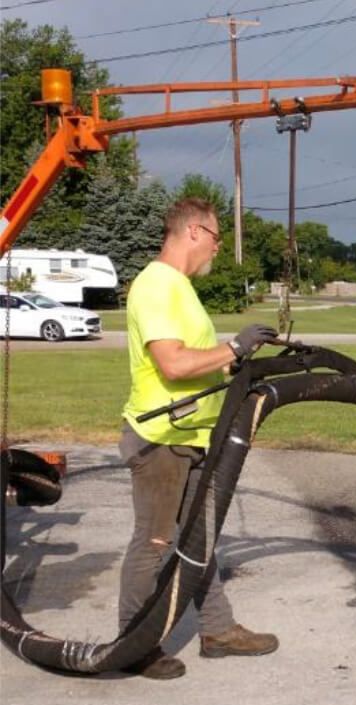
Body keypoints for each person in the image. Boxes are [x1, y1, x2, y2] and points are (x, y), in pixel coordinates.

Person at [118, 198, 279, 680]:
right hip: (160, 438)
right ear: (193, 231)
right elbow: (173, 363)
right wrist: (232, 347)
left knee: (198, 539)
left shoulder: (179, 288)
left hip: (189, 437)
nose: (216, 248)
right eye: (215, 238)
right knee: (154, 542)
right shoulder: (157, 285)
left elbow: (196, 358)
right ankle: (132, 644)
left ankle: (217, 630)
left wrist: (235, 360)